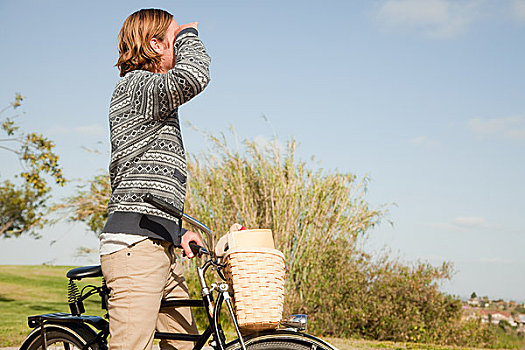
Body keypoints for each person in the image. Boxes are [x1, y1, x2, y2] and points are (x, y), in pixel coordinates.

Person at [99, 8, 211, 350]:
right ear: (155, 44)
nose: (178, 45)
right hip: (136, 251)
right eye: (173, 39)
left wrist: (176, 231)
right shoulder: (136, 86)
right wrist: (190, 34)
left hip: (159, 247)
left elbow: (142, 186)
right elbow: (193, 77)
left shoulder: (151, 97)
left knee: (186, 345)